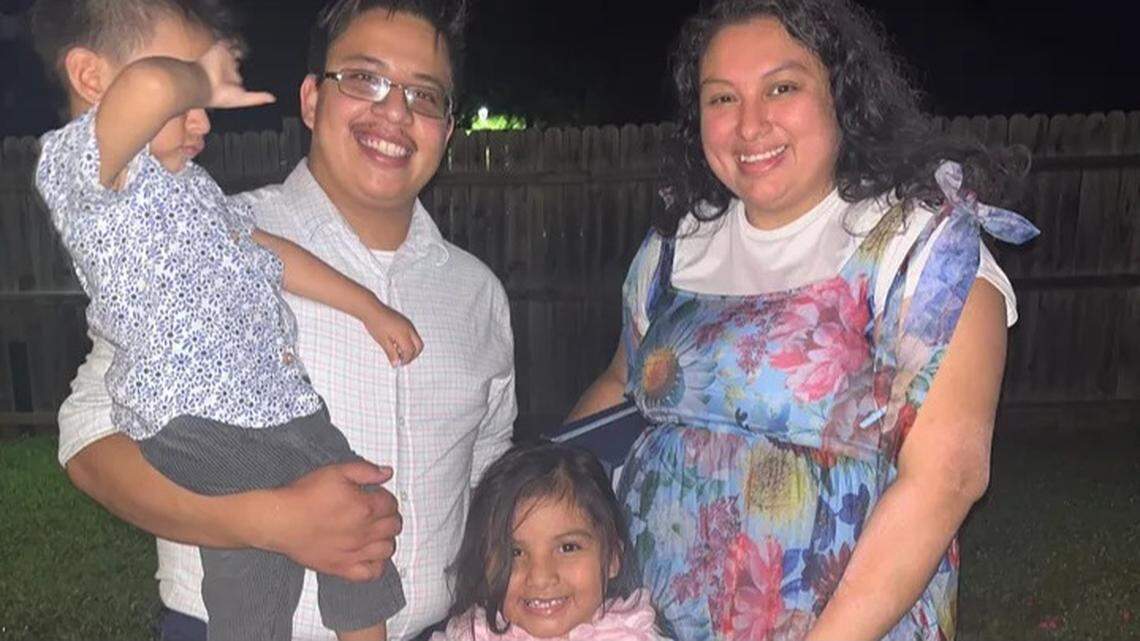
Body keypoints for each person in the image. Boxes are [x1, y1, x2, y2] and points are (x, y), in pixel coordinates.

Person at [44, 1, 517, 639]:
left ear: (448, 129)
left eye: (425, 96)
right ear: (312, 100)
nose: (395, 112)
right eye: (364, 78)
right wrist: (269, 521)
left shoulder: (480, 295)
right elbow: (87, 448)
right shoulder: (186, 242)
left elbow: (488, 472)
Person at [567, 0, 1039, 639]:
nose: (750, 125)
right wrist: (529, 502)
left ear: (842, 97)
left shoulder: (920, 249)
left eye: (782, 88)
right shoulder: (671, 249)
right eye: (721, 99)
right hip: (655, 620)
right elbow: (619, 388)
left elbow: (948, 477)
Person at [431, 442, 671, 641]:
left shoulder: (639, 634)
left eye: (567, 548)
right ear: (485, 562)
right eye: (515, 552)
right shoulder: (467, 636)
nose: (540, 577)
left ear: (612, 558)